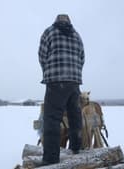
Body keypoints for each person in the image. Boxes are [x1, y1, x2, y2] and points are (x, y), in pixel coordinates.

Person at [38, 14, 85, 165]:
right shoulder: (77, 36)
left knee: (52, 119)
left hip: (55, 82)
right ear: (69, 22)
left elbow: (42, 55)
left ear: (56, 21)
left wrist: (49, 71)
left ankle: (51, 160)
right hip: (74, 83)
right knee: (75, 116)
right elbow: (82, 58)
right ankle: (76, 148)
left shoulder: (49, 32)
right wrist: (74, 74)